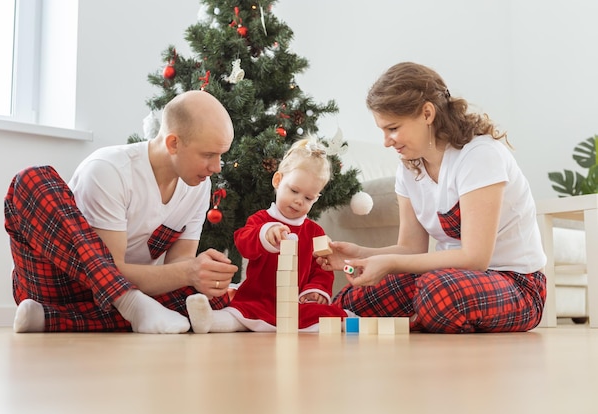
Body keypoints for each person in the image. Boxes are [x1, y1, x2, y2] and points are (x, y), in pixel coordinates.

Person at [317, 62, 547, 334]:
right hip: (447, 278)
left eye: (392, 128)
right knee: (350, 302)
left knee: (435, 294)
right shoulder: (409, 167)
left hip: (516, 284)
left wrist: (389, 264)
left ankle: (419, 318)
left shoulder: (480, 156)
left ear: (427, 113)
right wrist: (361, 254)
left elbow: (475, 259)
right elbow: (411, 249)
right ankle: (420, 320)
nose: (386, 141)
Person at [4, 90, 239, 333]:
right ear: (173, 143)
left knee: (211, 299)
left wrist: (199, 273)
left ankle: (50, 318)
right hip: (58, 281)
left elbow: (179, 265)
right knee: (31, 180)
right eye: (209, 155)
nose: (216, 167)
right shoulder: (109, 169)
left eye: (221, 156)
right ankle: (129, 303)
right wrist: (187, 273)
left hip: (119, 294)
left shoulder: (198, 185)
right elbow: (111, 269)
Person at [186, 139, 350, 333]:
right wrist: (265, 234)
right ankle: (208, 320)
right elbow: (243, 241)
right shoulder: (262, 219)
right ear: (278, 181)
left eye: (308, 198)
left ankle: (352, 323)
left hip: (294, 303)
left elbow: (322, 268)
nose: (299, 201)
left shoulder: (315, 232)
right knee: (239, 313)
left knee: (325, 315)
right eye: (294, 191)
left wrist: (315, 290)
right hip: (258, 297)